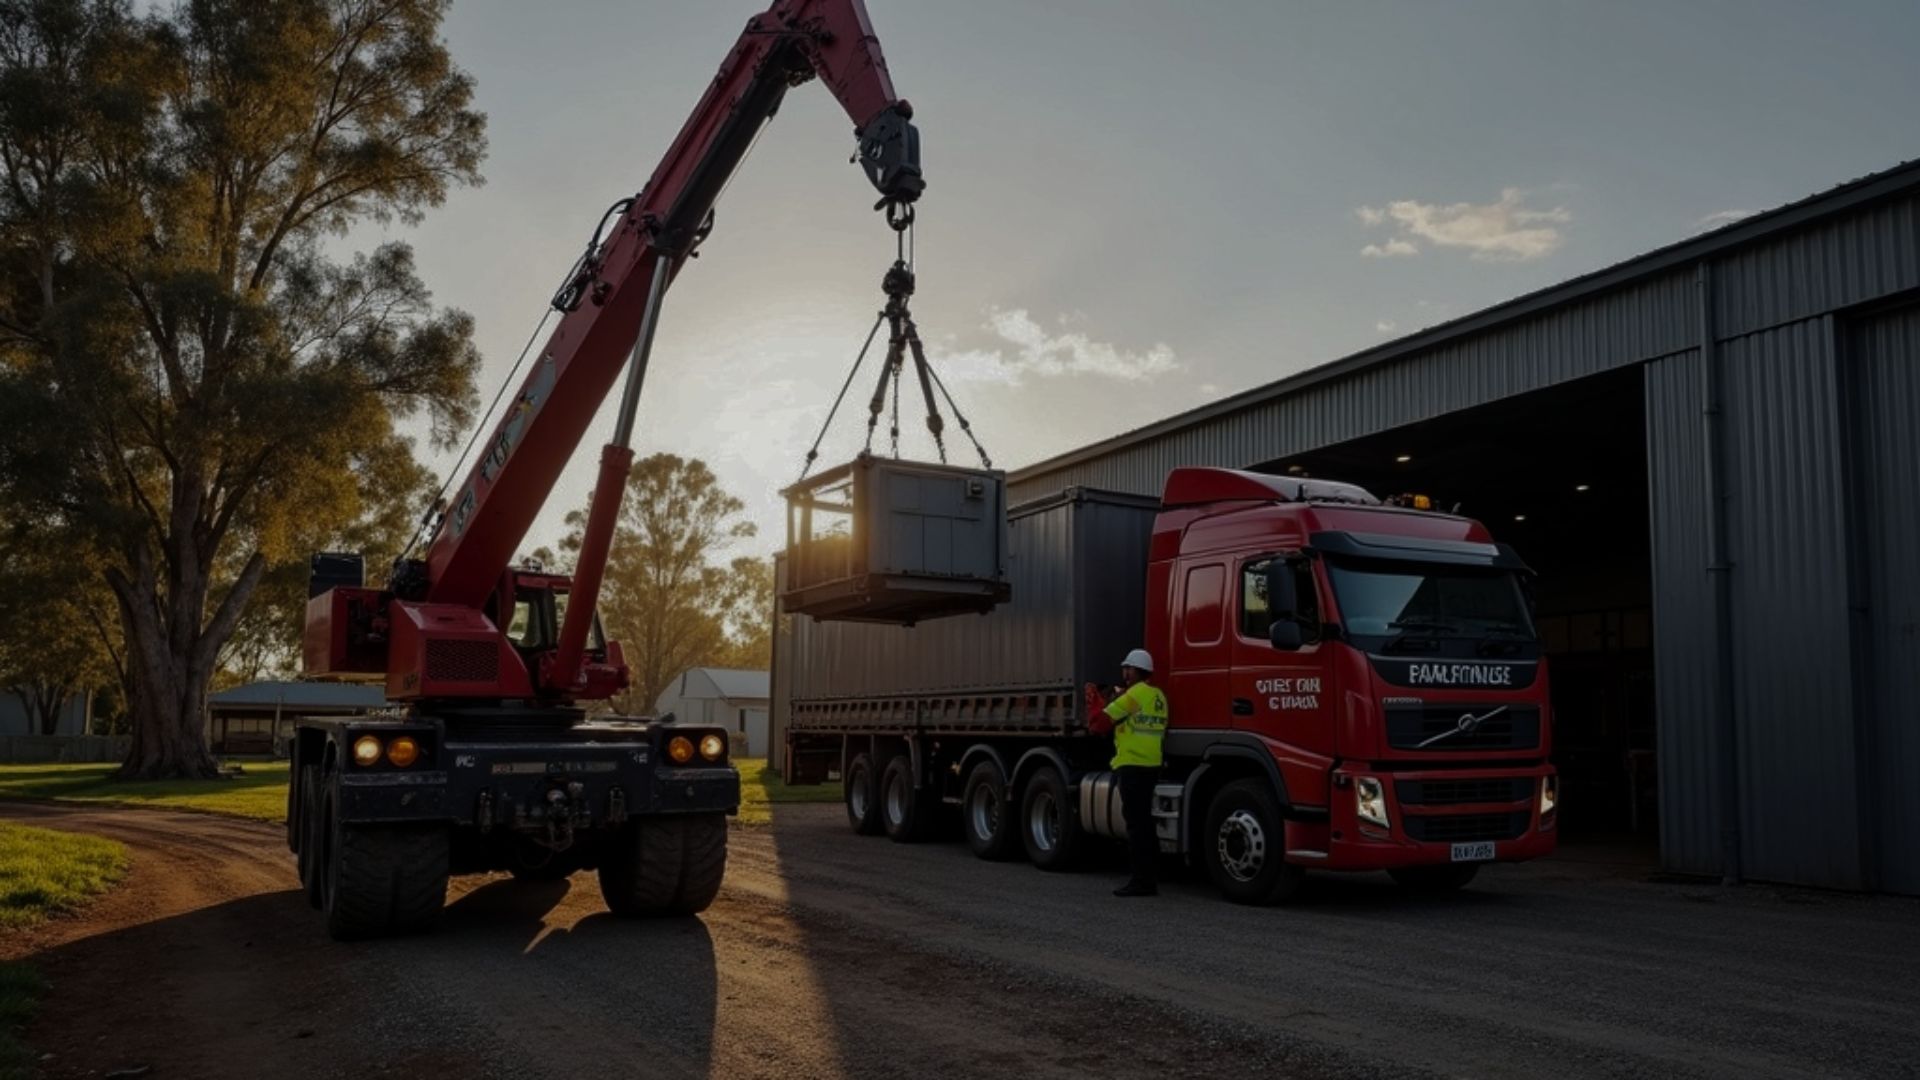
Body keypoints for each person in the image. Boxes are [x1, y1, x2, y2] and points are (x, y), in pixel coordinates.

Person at [1084, 648, 1168, 898]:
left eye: (1127, 669)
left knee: (1136, 826)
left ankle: (1141, 882)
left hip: (1132, 766)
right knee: (1146, 825)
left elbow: (1098, 724)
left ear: (1134, 671)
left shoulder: (1134, 696)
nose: (1124, 673)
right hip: (1152, 766)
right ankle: (1150, 877)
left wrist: (1094, 700)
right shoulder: (1158, 696)